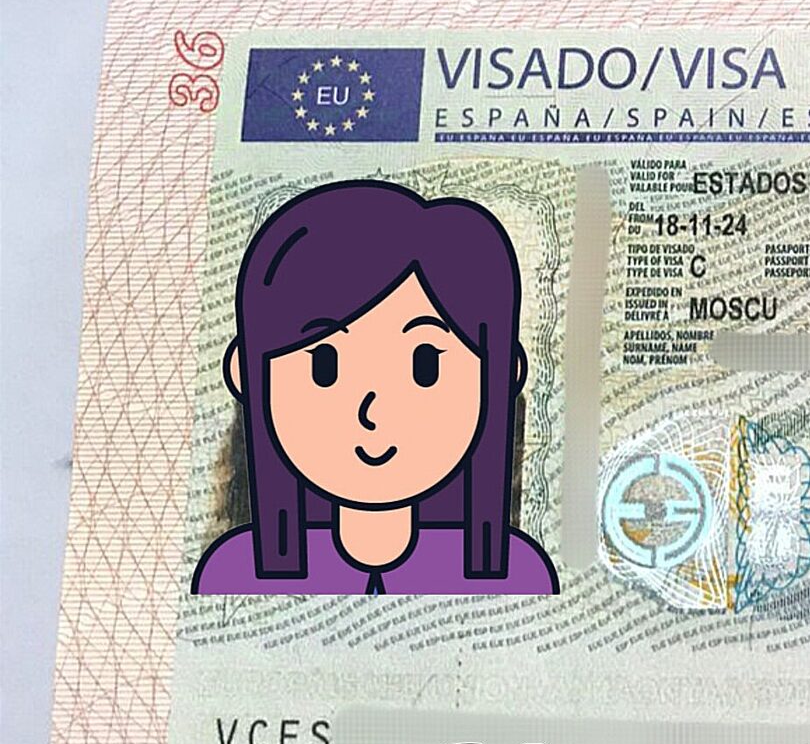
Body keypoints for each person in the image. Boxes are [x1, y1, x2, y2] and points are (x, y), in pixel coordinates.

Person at [193, 179, 558, 595]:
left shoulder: (518, 573)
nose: (372, 409)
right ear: (246, 372)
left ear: (503, 373)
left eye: (426, 367)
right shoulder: (235, 571)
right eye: (324, 367)